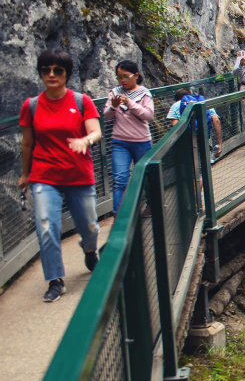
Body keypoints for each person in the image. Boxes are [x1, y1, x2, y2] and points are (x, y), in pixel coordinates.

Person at [18, 50, 102, 302]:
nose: (52, 74)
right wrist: (25, 175)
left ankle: (89, 249)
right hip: (45, 175)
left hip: (78, 174)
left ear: (67, 74)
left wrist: (85, 140)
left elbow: (95, 131)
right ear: (41, 73)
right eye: (46, 70)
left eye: (58, 70)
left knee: (90, 226)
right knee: (46, 225)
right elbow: (26, 144)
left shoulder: (81, 101)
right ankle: (55, 279)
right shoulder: (31, 106)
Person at [103, 60, 154, 215]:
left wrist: (131, 104)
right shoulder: (114, 92)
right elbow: (106, 116)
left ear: (136, 75)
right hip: (120, 142)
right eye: (119, 77)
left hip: (142, 142)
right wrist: (113, 106)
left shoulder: (144, 93)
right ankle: (119, 215)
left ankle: (151, 206)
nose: (122, 80)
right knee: (120, 178)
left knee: (147, 177)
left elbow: (149, 115)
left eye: (125, 76)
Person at [167, 88, 223, 162]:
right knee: (203, 164)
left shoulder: (176, 105)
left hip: (186, 143)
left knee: (190, 166)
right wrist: (219, 143)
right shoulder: (203, 102)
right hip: (204, 139)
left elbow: (175, 126)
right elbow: (216, 121)